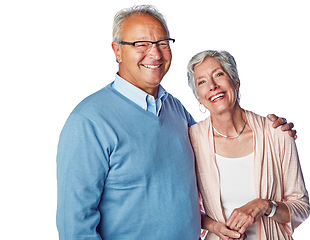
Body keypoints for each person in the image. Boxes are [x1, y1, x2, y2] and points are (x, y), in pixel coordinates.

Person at [56, 5, 296, 239]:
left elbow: (215, 147)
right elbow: (75, 227)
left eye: (162, 43)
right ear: (117, 50)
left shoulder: (175, 110)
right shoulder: (88, 121)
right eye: (141, 44)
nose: (155, 53)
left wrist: (272, 129)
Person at [187, 50, 310, 240]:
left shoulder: (276, 133)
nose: (212, 86)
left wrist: (265, 206)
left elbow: (301, 208)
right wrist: (217, 228)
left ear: (236, 81)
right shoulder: (191, 140)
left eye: (219, 74)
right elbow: (185, 208)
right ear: (198, 97)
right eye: (202, 82)